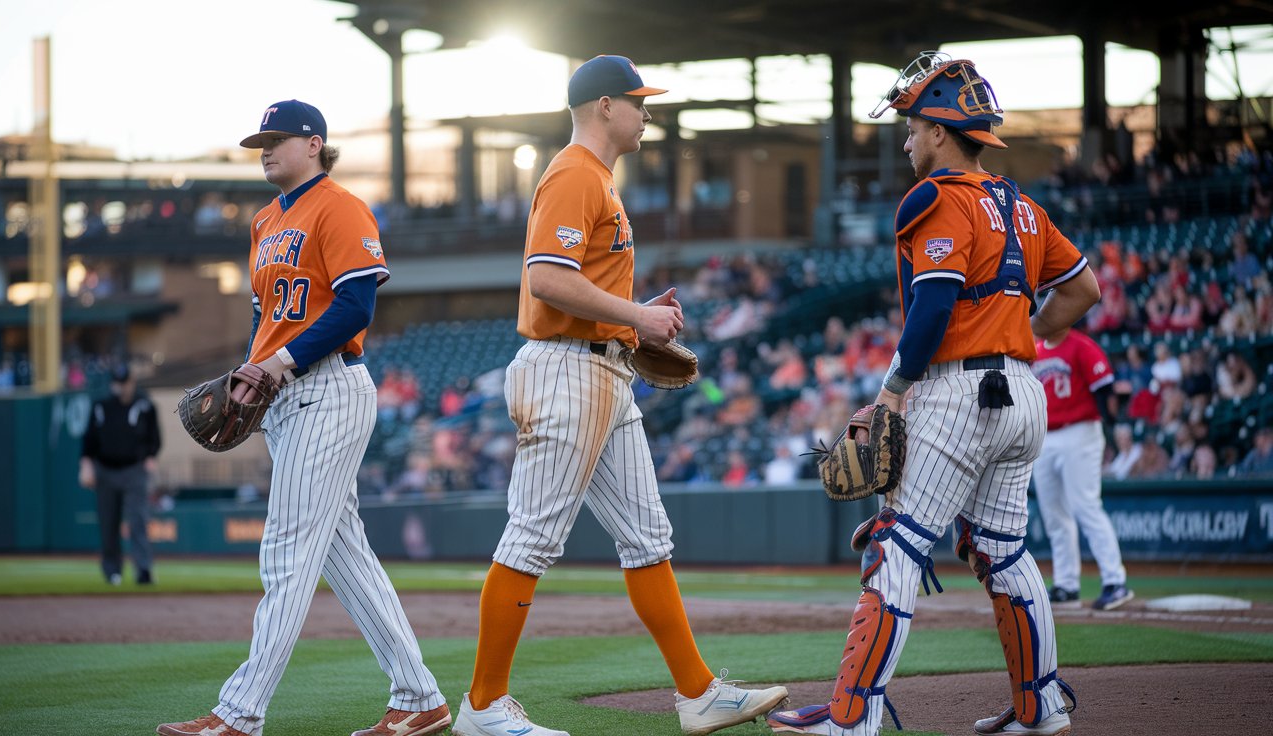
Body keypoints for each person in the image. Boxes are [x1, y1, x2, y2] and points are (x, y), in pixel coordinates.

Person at [452, 55, 787, 736]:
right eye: (638, 100)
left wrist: (627, 315)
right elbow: (545, 278)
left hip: (601, 367)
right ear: (605, 105)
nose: (646, 112)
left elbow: (573, 282)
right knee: (533, 539)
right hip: (566, 369)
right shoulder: (576, 170)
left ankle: (698, 694)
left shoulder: (595, 175)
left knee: (646, 539)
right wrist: (636, 317)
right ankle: (482, 706)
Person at [769, 51, 1099, 736]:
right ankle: (1043, 707)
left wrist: (892, 392)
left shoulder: (935, 197)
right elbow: (1084, 291)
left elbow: (933, 303)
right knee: (1005, 551)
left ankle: (851, 715)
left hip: (961, 392)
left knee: (894, 543)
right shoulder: (1023, 204)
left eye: (914, 127)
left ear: (944, 131)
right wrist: (1020, 331)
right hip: (1022, 395)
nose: (907, 139)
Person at [158, 100, 449, 736]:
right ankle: (419, 698)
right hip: (285, 394)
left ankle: (239, 714)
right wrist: (250, 372)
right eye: (261, 140)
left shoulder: (340, 206)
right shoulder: (264, 221)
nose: (265, 149)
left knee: (286, 550)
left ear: (314, 144)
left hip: (329, 388)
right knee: (346, 555)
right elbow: (269, 315)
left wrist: (279, 362)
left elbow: (355, 306)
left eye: (278, 139)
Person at [1032, 326, 1134, 611]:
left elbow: (1105, 390)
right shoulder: (1036, 350)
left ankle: (1115, 581)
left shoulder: (1082, 345)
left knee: (1085, 506)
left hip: (1081, 431)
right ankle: (1066, 584)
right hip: (1045, 437)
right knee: (1054, 514)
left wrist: (1110, 433)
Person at [79, 363, 160, 586]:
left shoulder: (145, 405)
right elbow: (88, 441)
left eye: (125, 383)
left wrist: (151, 457)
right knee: (108, 522)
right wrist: (86, 466)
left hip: (134, 469)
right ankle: (112, 571)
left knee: (138, 521)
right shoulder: (101, 407)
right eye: (118, 383)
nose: (121, 388)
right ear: (112, 384)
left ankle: (143, 570)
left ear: (132, 383)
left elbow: (154, 438)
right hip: (105, 469)